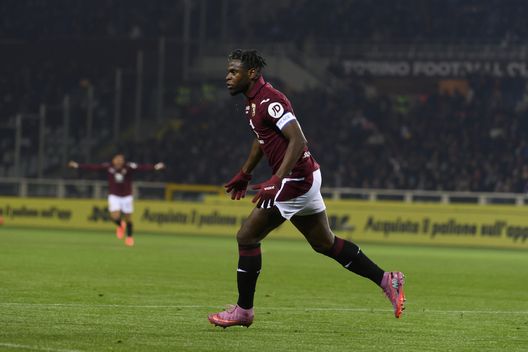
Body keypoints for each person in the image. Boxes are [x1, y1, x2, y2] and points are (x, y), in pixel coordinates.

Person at [208, 49, 405, 328]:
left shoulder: (270, 100)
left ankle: (244, 311)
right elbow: (261, 140)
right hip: (304, 177)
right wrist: (245, 172)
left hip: (296, 180)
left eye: (233, 72)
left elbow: (298, 140)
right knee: (324, 243)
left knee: (247, 236)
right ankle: (388, 279)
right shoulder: (251, 104)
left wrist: (277, 179)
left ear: (251, 73)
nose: (227, 77)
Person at [68, 154, 165, 246]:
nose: (118, 162)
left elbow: (142, 168)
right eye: (116, 160)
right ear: (113, 161)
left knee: (128, 218)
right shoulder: (109, 167)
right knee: (114, 216)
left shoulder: (128, 167)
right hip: (114, 195)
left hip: (127, 196)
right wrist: (77, 165)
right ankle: (120, 225)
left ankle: (129, 237)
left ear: (123, 161)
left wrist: (156, 167)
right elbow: (93, 167)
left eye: (120, 160)